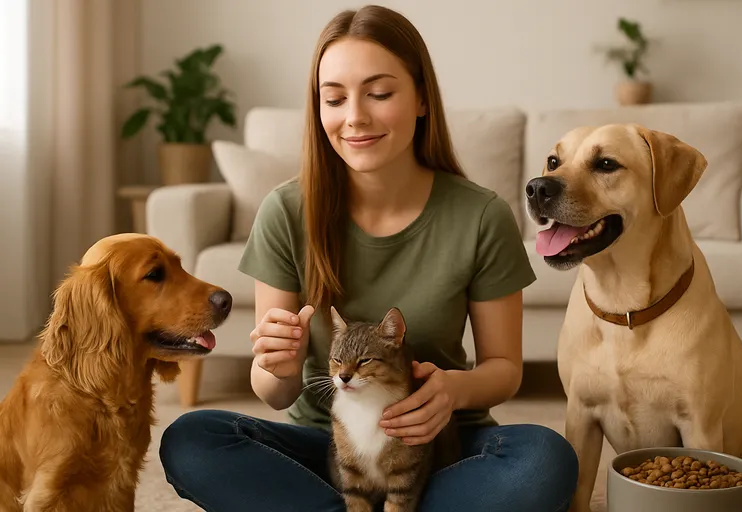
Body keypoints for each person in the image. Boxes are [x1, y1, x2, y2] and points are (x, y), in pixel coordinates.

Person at [159, 4, 579, 511]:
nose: (354, 116)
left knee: (545, 460)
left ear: (422, 98)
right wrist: (281, 365)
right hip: (332, 448)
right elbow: (273, 392)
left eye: (379, 94)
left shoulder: (481, 215)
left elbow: (504, 369)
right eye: (333, 99)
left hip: (438, 447)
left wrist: (450, 392)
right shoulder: (285, 211)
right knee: (192, 439)